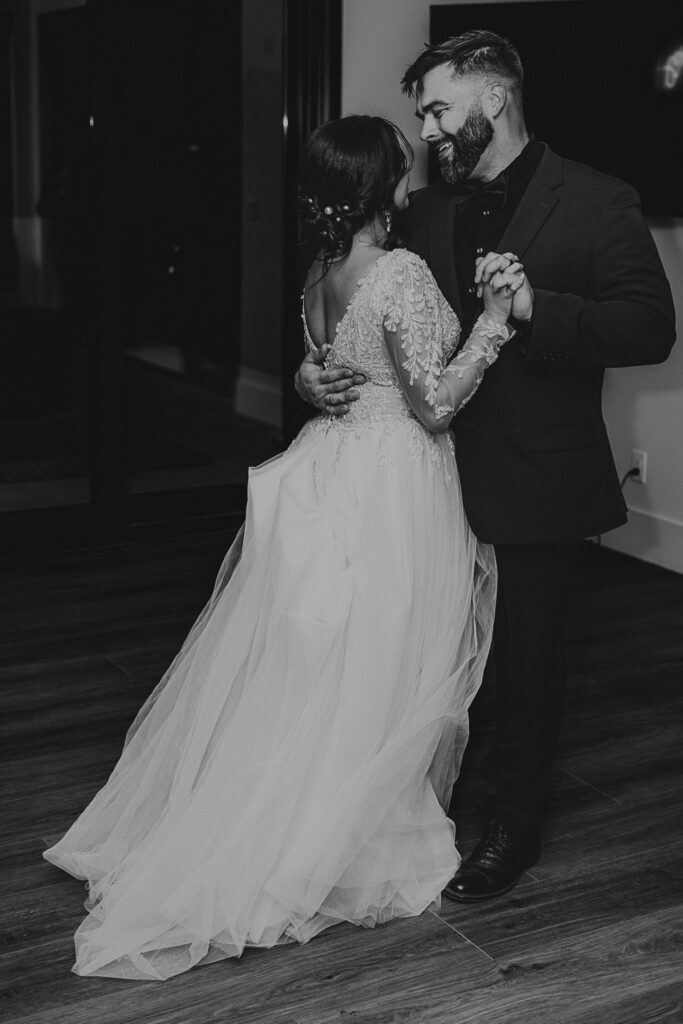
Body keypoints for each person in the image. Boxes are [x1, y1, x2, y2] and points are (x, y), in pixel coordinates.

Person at [43, 114, 529, 981]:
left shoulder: (320, 273)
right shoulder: (401, 271)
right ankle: (355, 833)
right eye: (404, 168)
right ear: (383, 186)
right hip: (394, 482)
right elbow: (434, 406)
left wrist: (313, 379)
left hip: (338, 463)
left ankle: (297, 812)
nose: (415, 177)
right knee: (385, 657)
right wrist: (493, 320)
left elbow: (336, 369)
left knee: (328, 662)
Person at [295, 31, 676, 903]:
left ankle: (513, 823)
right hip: (419, 475)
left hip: (535, 468)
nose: (426, 130)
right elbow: (370, 325)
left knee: (526, 656)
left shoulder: (596, 199)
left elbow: (648, 328)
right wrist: (308, 371)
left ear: (492, 98)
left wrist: (539, 307)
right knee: (422, 642)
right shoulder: (421, 212)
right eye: (421, 115)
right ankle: (427, 788)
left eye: (437, 108)